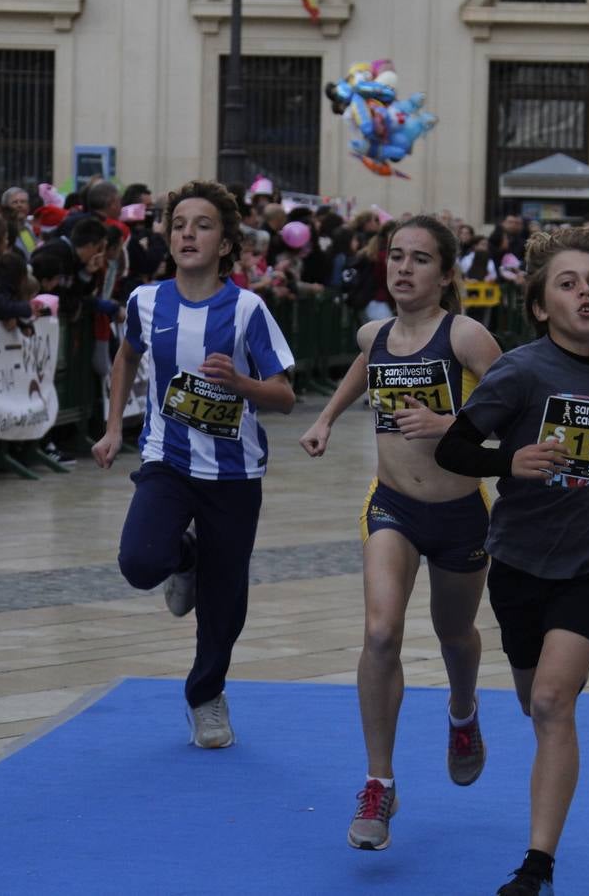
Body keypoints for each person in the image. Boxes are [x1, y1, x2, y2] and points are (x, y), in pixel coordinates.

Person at [432, 225, 589, 896]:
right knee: (531, 700)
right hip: (518, 563)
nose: (585, 294)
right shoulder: (519, 371)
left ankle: (536, 868)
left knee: (552, 701)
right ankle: (481, 721)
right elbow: (454, 449)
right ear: (542, 306)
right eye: (568, 284)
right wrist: (506, 462)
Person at [298, 215, 503, 853]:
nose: (403, 268)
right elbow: (366, 362)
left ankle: (463, 712)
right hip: (392, 507)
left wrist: (452, 424)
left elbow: (514, 410)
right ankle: (379, 783)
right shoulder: (376, 331)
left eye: (419, 259)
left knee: (454, 633)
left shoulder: (467, 336)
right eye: (395, 256)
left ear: (445, 274)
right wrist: (328, 417)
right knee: (381, 633)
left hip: (461, 510)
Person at [92, 180, 296, 750]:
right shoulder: (145, 301)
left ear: (226, 242)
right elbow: (126, 357)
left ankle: (206, 696)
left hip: (234, 472)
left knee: (224, 599)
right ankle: (183, 559)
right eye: (179, 223)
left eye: (202, 224)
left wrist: (242, 383)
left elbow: (284, 394)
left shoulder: (247, 310)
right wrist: (113, 429)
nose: (187, 232)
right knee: (139, 561)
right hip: (167, 459)